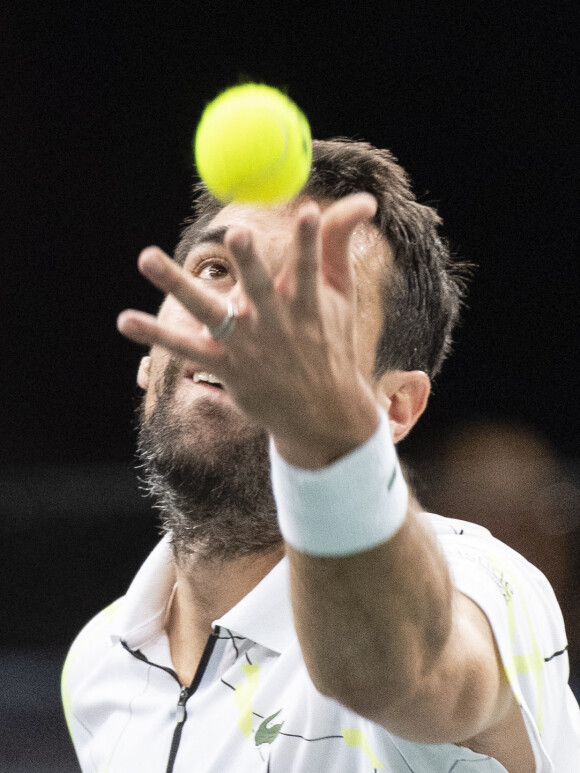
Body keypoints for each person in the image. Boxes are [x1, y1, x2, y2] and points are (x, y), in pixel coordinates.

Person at [62, 138, 580, 772]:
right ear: (151, 357)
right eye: (217, 270)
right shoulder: (98, 663)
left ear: (395, 408)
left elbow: (405, 672)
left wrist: (327, 439)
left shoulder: (482, 582)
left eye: (308, 303)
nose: (239, 316)